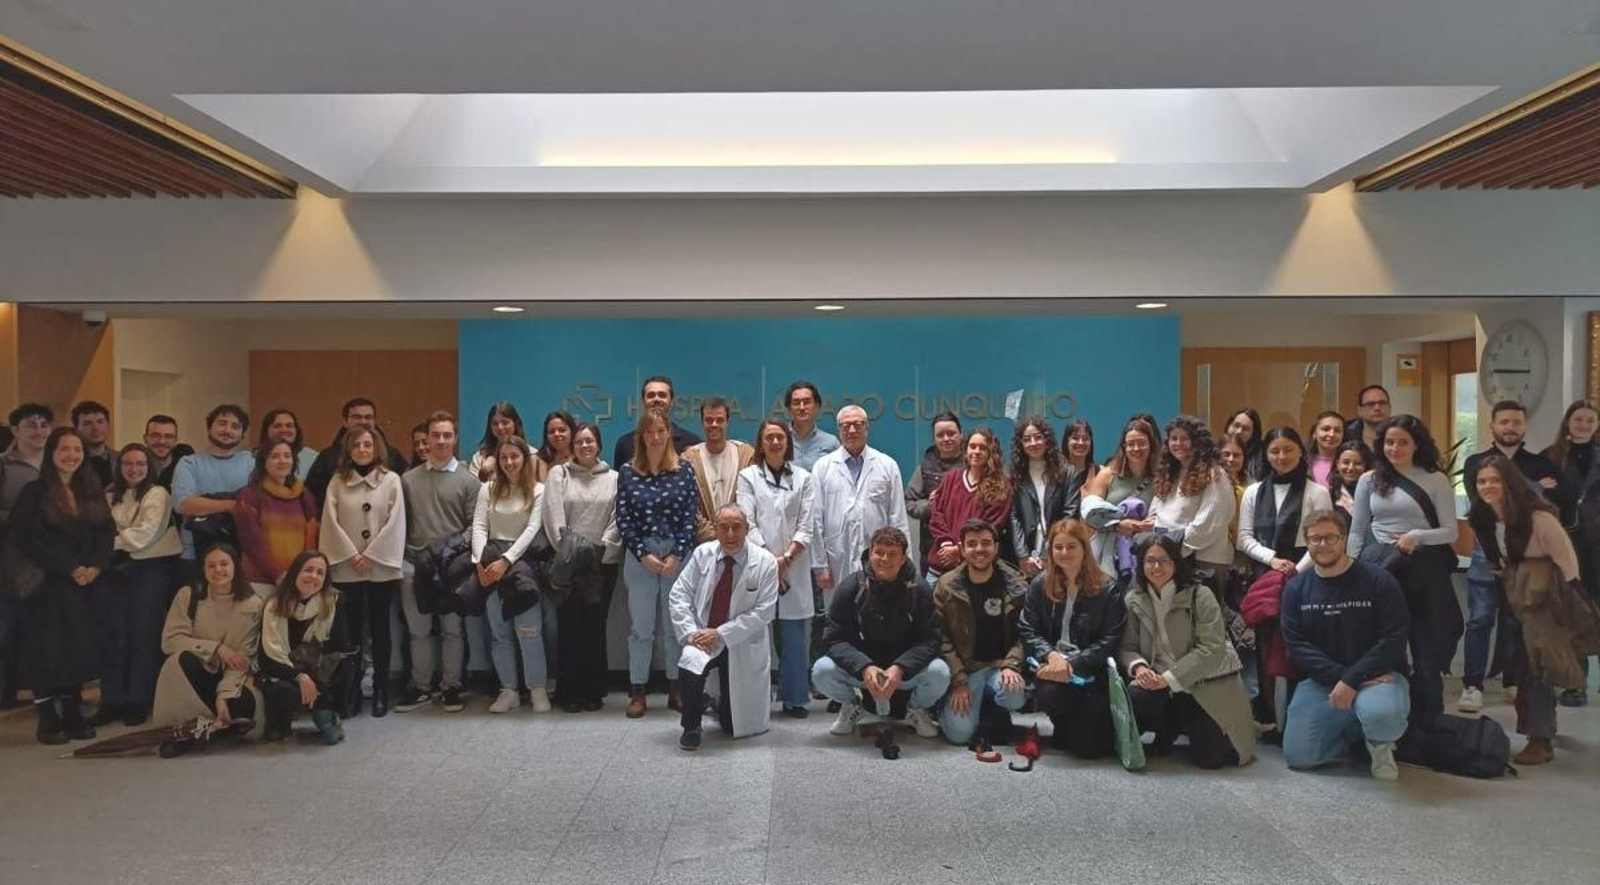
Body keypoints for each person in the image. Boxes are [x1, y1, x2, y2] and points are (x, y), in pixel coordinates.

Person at [1467, 455, 1596, 765]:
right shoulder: (1482, 518)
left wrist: (1565, 607)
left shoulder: (1538, 518)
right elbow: (1496, 561)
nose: (1488, 486)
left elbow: (1567, 563)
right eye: (1482, 481)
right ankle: (1542, 728)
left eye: (1495, 480)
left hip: (1545, 597)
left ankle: (1540, 738)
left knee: (1534, 666)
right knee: (1520, 661)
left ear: (1510, 482)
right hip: (1515, 594)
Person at [1280, 509, 1411, 780]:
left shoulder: (1379, 580)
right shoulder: (1296, 588)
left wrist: (1352, 679)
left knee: (1381, 713)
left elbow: (1393, 639)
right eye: (1315, 539)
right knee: (1300, 757)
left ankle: (1380, 744)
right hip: (1323, 681)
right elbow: (1297, 646)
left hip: (1378, 677)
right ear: (1306, 541)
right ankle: (1355, 730)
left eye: (1330, 538)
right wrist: (1344, 679)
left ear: (1344, 539)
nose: (1323, 545)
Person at [1346, 414, 1459, 717]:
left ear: (1417, 444)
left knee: (1425, 649)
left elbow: (1451, 532)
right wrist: (1352, 568)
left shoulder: (1435, 478)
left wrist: (1416, 536)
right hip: (1382, 568)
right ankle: (1394, 718)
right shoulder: (1369, 480)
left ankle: (1430, 718)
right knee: (1387, 645)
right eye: (1389, 442)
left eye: (1403, 442)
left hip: (1425, 571)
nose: (1395, 448)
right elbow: (1357, 530)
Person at [1458, 400, 1566, 714]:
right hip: (1486, 552)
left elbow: (1551, 502)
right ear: (1492, 426)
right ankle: (1472, 685)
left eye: (1516, 422)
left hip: (1526, 556)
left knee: (1516, 621)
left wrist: (1529, 488)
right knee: (1479, 620)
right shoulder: (1475, 460)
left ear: (1524, 426)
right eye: (1504, 421)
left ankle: (1512, 681)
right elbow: (1483, 500)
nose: (1510, 427)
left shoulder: (1541, 463)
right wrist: (1531, 487)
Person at [11, 428, 114, 744]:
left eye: (77, 450)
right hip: (48, 583)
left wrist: (96, 565)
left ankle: (72, 710)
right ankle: (47, 717)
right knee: (47, 650)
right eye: (64, 449)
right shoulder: (35, 491)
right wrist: (69, 567)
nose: (71, 456)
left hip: (85, 584)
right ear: (52, 453)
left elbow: (105, 530)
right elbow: (27, 538)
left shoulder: (91, 489)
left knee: (76, 648)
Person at [1118, 534, 1257, 768]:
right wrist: (1139, 667)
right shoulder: (1134, 599)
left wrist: (1168, 679)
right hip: (1156, 682)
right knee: (1138, 697)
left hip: (1203, 683)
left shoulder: (1201, 595)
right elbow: (1127, 647)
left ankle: (1185, 721)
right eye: (1149, 561)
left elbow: (1212, 648)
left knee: (1213, 759)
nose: (1156, 567)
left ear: (1176, 562)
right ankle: (1167, 725)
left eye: (1164, 560)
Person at [813, 526, 947, 738]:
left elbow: (931, 640)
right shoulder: (851, 586)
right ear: (870, 553)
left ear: (903, 558)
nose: (884, 559)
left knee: (939, 672)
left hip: (904, 672)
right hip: (864, 671)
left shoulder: (919, 589)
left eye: (892, 554)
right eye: (879, 552)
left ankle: (915, 709)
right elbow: (833, 638)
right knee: (822, 670)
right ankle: (851, 705)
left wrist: (900, 667)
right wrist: (864, 667)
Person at [668, 504, 780, 750]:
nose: (730, 534)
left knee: (733, 725)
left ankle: (717, 705)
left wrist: (720, 633)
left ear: (747, 529)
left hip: (741, 640)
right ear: (715, 530)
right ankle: (691, 726)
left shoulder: (765, 562)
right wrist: (690, 633)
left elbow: (764, 612)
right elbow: (679, 594)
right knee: (689, 666)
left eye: (736, 527)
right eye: (724, 527)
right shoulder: (702, 554)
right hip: (702, 635)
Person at [616, 407, 700, 718]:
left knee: (675, 626)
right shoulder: (628, 471)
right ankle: (638, 690)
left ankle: (676, 688)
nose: (655, 437)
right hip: (641, 557)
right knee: (641, 629)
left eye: (660, 431)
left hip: (678, 556)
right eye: (649, 432)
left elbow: (691, 518)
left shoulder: (684, 470)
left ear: (669, 435)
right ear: (641, 436)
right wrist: (644, 555)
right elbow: (623, 520)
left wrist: (677, 554)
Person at [1018, 519, 1126, 758]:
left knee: (1090, 749)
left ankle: (1081, 723)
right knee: (1049, 695)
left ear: (1084, 549)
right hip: (1051, 665)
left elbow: (1111, 639)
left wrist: (1071, 664)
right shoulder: (1039, 584)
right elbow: (1027, 629)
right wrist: (1052, 655)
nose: (1064, 553)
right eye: (1058, 547)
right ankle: (1063, 721)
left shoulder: (1109, 588)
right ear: (1051, 551)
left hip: (1090, 671)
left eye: (1071, 546)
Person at [396, 411, 480, 714]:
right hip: (413, 564)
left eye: (447, 435)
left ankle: (451, 686)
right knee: (418, 631)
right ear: (426, 440)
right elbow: (398, 523)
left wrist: (453, 551)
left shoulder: (470, 481)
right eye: (436, 435)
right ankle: (420, 687)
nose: (441, 441)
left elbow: (475, 525)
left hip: (452, 567)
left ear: (455, 439)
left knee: (452, 630)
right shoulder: (406, 480)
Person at [319, 425, 406, 718]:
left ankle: (381, 690)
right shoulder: (337, 482)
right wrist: (350, 554)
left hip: (380, 566)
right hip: (347, 566)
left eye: (368, 444)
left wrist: (372, 555)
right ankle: (352, 690)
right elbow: (330, 521)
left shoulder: (391, 480)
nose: (363, 450)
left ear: (376, 447)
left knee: (381, 629)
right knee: (351, 631)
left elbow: (396, 522)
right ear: (349, 449)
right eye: (357, 445)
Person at [94, 443, 183, 727]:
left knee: (143, 635)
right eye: (128, 464)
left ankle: (137, 699)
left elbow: (145, 535)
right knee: (112, 635)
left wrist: (111, 541)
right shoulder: (108, 494)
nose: (134, 469)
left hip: (150, 570)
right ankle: (111, 700)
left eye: (141, 464)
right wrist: (115, 540)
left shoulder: (159, 494)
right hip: (112, 572)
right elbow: (97, 529)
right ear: (119, 467)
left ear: (149, 468)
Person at [736, 418, 816, 717]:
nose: (774, 442)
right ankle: (755, 700)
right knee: (755, 634)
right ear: (761, 443)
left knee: (794, 637)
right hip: (758, 564)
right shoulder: (748, 477)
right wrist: (772, 561)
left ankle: (795, 698)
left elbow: (807, 526)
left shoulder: (804, 478)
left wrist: (786, 560)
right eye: (769, 437)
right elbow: (747, 521)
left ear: (788, 442)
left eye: (780, 437)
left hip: (794, 565)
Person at [151, 544, 263, 755]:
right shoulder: (189, 595)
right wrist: (217, 648)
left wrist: (223, 696)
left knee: (242, 705)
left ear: (235, 567)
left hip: (234, 676)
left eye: (224, 564)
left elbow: (243, 659)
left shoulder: (253, 604)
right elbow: (170, 641)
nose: (218, 570)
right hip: (197, 671)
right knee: (181, 660)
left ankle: (211, 724)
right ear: (202, 569)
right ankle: (183, 731)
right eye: (211, 565)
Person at [542, 421, 622, 712]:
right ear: (572, 446)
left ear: (598, 444)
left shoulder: (614, 477)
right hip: (568, 562)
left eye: (589, 441)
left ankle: (594, 690)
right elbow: (553, 517)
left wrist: (599, 549)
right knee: (569, 627)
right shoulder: (559, 474)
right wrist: (571, 552)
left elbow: (617, 519)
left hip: (602, 563)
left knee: (594, 627)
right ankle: (569, 692)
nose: (584, 446)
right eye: (579, 442)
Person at [472, 434, 551, 714]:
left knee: (529, 631)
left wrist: (507, 560)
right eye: (503, 457)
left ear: (524, 458)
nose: (509, 462)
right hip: (491, 563)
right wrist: (480, 562)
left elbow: (532, 529)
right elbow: (479, 526)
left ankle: (537, 688)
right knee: (499, 633)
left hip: (522, 566)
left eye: (514, 456)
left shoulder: (539, 490)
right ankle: (509, 690)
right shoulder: (488, 488)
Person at [933, 518, 1028, 746]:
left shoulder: (1017, 585)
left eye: (985, 543)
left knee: (1015, 694)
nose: (979, 549)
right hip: (967, 670)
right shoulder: (946, 586)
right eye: (972, 544)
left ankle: (991, 710)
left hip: (999, 666)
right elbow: (941, 639)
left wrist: (1011, 664)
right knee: (959, 735)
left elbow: (1026, 633)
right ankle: (941, 706)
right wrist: (959, 680)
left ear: (996, 547)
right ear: (962, 549)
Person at [812, 405, 911, 599]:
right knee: (841, 615)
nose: (851, 430)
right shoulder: (822, 467)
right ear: (838, 430)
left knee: (879, 613)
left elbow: (897, 517)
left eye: (858, 425)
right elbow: (815, 519)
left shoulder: (887, 465)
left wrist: (904, 560)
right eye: (845, 425)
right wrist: (819, 564)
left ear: (867, 428)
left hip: (882, 558)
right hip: (836, 558)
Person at [258, 551, 356, 745]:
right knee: (279, 688)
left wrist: (316, 682)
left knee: (346, 667)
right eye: (308, 570)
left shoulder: (333, 601)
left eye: (320, 573)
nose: (313, 577)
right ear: (295, 573)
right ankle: (287, 719)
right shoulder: (274, 605)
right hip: (284, 670)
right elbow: (267, 658)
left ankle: (326, 712)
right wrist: (300, 676)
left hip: (316, 668)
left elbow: (337, 647)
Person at [1541, 400, 1600, 706]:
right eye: (1579, 419)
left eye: (1590, 420)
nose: (1584, 425)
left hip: (1597, 544)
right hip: (1565, 542)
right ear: (1568, 421)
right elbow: (1532, 494)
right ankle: (1576, 683)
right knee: (1572, 613)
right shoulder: (1550, 457)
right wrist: (1540, 486)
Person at [1149, 415, 1237, 601]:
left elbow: (1208, 524)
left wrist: (1170, 552)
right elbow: (1156, 514)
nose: (1178, 443)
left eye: (1185, 438)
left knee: (1203, 622)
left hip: (1203, 561)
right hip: (1169, 557)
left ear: (1198, 442)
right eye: (1174, 438)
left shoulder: (1215, 474)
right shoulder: (1170, 473)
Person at [0, 403, 51, 709]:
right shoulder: (3, 465)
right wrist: (23, 519)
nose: (38, 430)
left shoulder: (59, 461)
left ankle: (41, 691)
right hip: (11, 558)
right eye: (31, 425)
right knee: (8, 625)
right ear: (15, 429)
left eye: (44, 425)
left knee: (45, 628)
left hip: (52, 559)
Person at [1238, 428, 1335, 578]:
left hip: (1307, 571)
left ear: (1300, 451)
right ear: (1266, 455)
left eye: (1288, 450)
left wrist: (1296, 570)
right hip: (1263, 570)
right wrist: (1272, 560)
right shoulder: (1252, 492)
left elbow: (1324, 537)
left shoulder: (1318, 492)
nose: (1282, 457)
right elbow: (1244, 538)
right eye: (1275, 451)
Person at [927, 427, 1013, 583]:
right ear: (965, 450)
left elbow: (991, 527)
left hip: (974, 572)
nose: (977, 451)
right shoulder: (950, 478)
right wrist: (946, 544)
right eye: (972, 446)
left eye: (983, 448)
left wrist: (959, 550)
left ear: (991, 453)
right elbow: (936, 514)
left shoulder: (1001, 487)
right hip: (940, 566)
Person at [172, 404, 254, 564]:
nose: (227, 430)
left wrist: (205, 504)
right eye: (222, 423)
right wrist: (233, 505)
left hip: (242, 550)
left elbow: (255, 505)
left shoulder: (251, 462)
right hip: (196, 551)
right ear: (209, 428)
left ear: (242, 435)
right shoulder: (189, 463)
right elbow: (184, 505)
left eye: (235, 426)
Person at [233, 440, 319, 593]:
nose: (282, 461)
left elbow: (312, 537)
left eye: (287, 456)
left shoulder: (304, 495)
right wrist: (279, 575)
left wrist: (303, 573)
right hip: (259, 581)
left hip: (298, 580)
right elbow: (252, 541)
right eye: (275, 456)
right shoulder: (249, 495)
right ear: (263, 462)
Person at [1081, 417, 1160, 579]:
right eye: (1130, 444)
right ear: (1123, 447)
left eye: (1141, 443)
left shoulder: (1162, 477)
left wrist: (1154, 524)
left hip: (1148, 552)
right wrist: (1117, 525)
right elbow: (1088, 514)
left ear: (1151, 445)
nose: (1136, 448)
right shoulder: (1107, 475)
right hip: (1108, 552)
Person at [305, 398, 409, 507]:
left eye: (368, 417)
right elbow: (312, 495)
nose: (363, 422)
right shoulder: (327, 457)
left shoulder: (391, 455)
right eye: (357, 417)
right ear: (345, 421)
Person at [1009, 417, 1079, 579]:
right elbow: (1014, 516)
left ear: (1047, 440)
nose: (1033, 443)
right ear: (1021, 444)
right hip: (1026, 558)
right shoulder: (1015, 475)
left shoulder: (1068, 473)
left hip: (1060, 552)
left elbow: (1070, 514)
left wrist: (1047, 553)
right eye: (1027, 439)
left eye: (1038, 437)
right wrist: (1023, 555)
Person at [683, 396, 756, 543]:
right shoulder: (688, 459)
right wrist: (714, 535)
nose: (714, 425)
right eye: (709, 420)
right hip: (703, 545)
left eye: (720, 420)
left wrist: (734, 532)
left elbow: (754, 500)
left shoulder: (745, 455)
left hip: (741, 542)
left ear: (727, 422)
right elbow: (688, 506)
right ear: (702, 423)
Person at [904, 411, 963, 573]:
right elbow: (908, 502)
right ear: (935, 439)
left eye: (951, 433)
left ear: (961, 434)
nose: (946, 439)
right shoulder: (925, 466)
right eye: (940, 435)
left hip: (965, 549)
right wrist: (929, 506)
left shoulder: (972, 463)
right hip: (932, 547)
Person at [612, 376, 702, 468]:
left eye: (662, 395)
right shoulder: (625, 443)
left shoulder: (692, 442)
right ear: (643, 402)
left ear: (672, 402)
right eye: (651, 395)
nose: (656, 399)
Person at [785, 380, 839, 470]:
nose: (802, 407)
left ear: (816, 406)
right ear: (789, 408)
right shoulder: (778, 441)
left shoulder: (831, 443)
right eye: (796, 403)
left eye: (806, 402)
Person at [469, 400, 527, 482]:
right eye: (495, 423)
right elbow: (474, 490)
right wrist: (484, 472)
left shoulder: (532, 455)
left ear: (516, 424)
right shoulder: (479, 458)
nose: (500, 427)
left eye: (505, 422)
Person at [257, 408, 319, 481]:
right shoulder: (251, 458)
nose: (284, 430)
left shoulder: (312, 457)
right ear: (266, 431)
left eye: (289, 426)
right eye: (277, 426)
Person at [142, 414, 193, 491]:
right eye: (155, 435)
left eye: (168, 436)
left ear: (176, 440)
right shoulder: (135, 464)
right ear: (145, 438)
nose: (162, 441)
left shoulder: (186, 460)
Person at [71, 400, 114, 487]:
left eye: (100, 422)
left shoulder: (121, 459)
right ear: (76, 429)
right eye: (87, 424)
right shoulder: (70, 462)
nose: (95, 428)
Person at [1328, 440, 1372, 523]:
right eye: (1346, 462)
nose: (1351, 468)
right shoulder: (1329, 494)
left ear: (1366, 466)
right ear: (1337, 464)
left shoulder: (1376, 494)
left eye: (1358, 463)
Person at [532, 409, 576, 485]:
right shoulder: (536, 461)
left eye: (562, 430)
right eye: (551, 431)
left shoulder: (582, 459)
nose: (556, 434)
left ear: (572, 431)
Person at [1224, 407, 1267, 483]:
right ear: (1228, 426)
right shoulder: (1214, 451)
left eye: (1246, 429)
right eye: (1236, 425)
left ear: (1253, 434)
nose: (1239, 431)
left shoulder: (1263, 456)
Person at [1061, 418, 1100, 501]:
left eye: (1085, 438)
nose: (1081, 442)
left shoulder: (1100, 473)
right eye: (1075, 438)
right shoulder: (1056, 472)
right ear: (1066, 442)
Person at [1346, 385, 1392, 450]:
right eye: (1370, 404)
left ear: (1390, 408)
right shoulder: (1346, 436)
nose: (1377, 408)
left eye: (1382, 403)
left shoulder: (1402, 434)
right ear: (1360, 411)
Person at [1308, 411, 1347, 487]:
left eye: (1337, 430)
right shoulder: (1303, 463)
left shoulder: (1350, 464)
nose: (1332, 434)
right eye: (1326, 429)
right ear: (1314, 433)